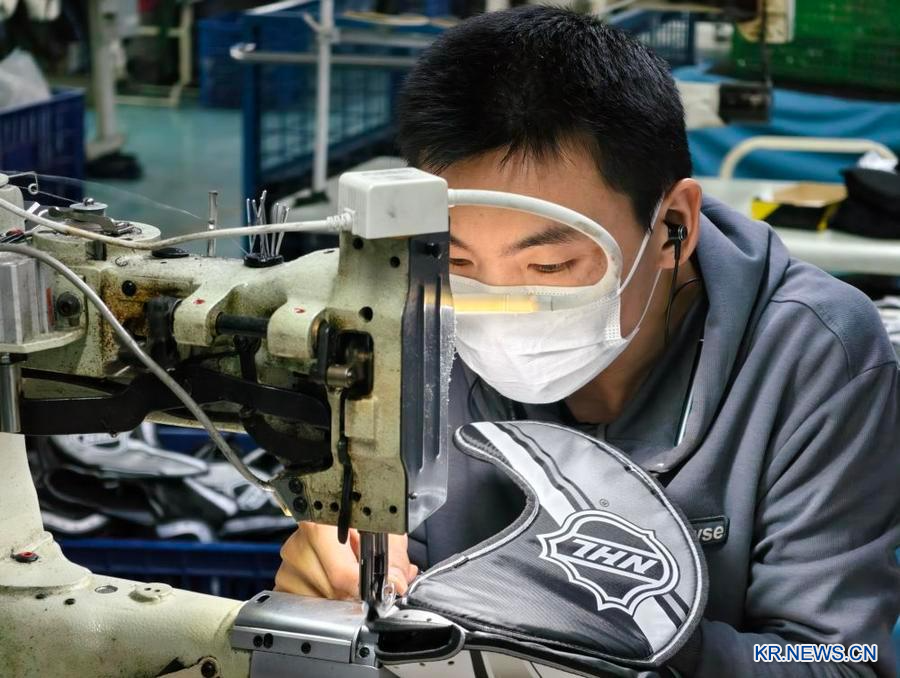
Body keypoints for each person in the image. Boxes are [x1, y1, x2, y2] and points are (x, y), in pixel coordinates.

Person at [275, 6, 900, 676]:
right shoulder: (410, 319)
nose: (499, 305)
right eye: (456, 260)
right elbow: (394, 578)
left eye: (549, 267)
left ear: (673, 227)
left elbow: (846, 658)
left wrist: (645, 644)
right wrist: (336, 590)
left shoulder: (818, 354)